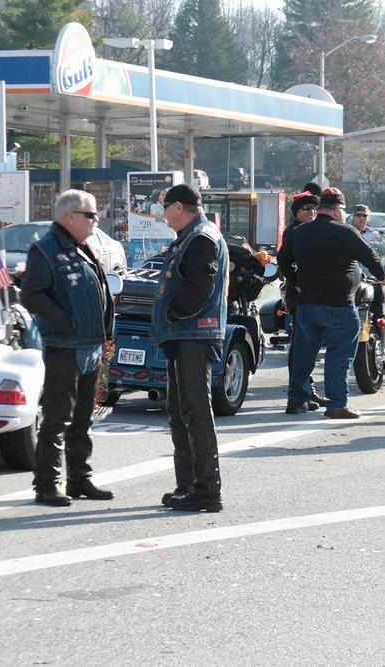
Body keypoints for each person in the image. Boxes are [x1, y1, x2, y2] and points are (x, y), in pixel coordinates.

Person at [21, 189, 116, 507]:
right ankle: (48, 484)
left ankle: (80, 478)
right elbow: (32, 295)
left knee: (83, 419)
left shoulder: (82, 247)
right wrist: (67, 323)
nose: (96, 219)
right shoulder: (46, 250)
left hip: (90, 345)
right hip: (65, 345)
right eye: (90, 214)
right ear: (70, 216)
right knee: (57, 418)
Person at [151, 184, 229, 512]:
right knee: (182, 413)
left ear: (179, 207)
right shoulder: (191, 236)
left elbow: (201, 286)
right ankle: (188, 485)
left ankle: (206, 490)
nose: (162, 214)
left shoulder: (201, 237)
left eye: (164, 207)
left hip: (193, 334)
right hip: (184, 334)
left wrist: (173, 312)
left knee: (195, 413)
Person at [278, 187, 385, 419]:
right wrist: (383, 277)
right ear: (337, 210)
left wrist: (295, 281)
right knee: (339, 354)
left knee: (303, 354)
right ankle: (337, 403)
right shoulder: (345, 231)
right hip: (340, 305)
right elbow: (371, 257)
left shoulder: (300, 232)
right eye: (344, 211)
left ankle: (296, 400)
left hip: (307, 304)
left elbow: (282, 259)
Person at [280, 190, 326, 410]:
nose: (312, 212)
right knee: (301, 344)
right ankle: (298, 394)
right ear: (296, 212)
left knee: (311, 345)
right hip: (299, 295)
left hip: (314, 294)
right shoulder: (293, 232)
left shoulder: (313, 229)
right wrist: (297, 281)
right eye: (306, 208)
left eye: (314, 208)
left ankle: (308, 390)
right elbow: (284, 261)